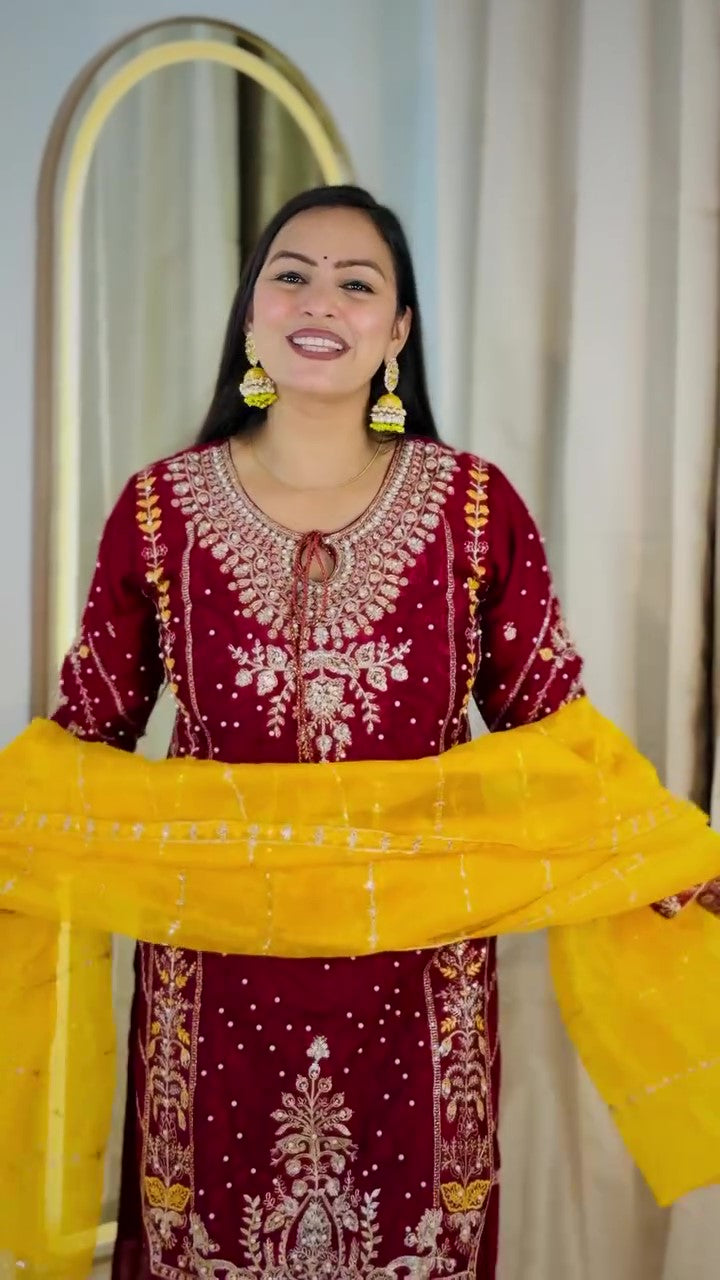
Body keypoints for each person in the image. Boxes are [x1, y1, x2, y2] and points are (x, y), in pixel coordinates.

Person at [50, 185, 717, 1279]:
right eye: (292, 275)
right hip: (213, 979)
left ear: (397, 331)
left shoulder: (472, 509)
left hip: (418, 983)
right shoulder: (161, 510)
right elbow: (86, 741)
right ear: (252, 311)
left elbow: (554, 735)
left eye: (357, 284)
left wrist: (667, 852)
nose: (322, 302)